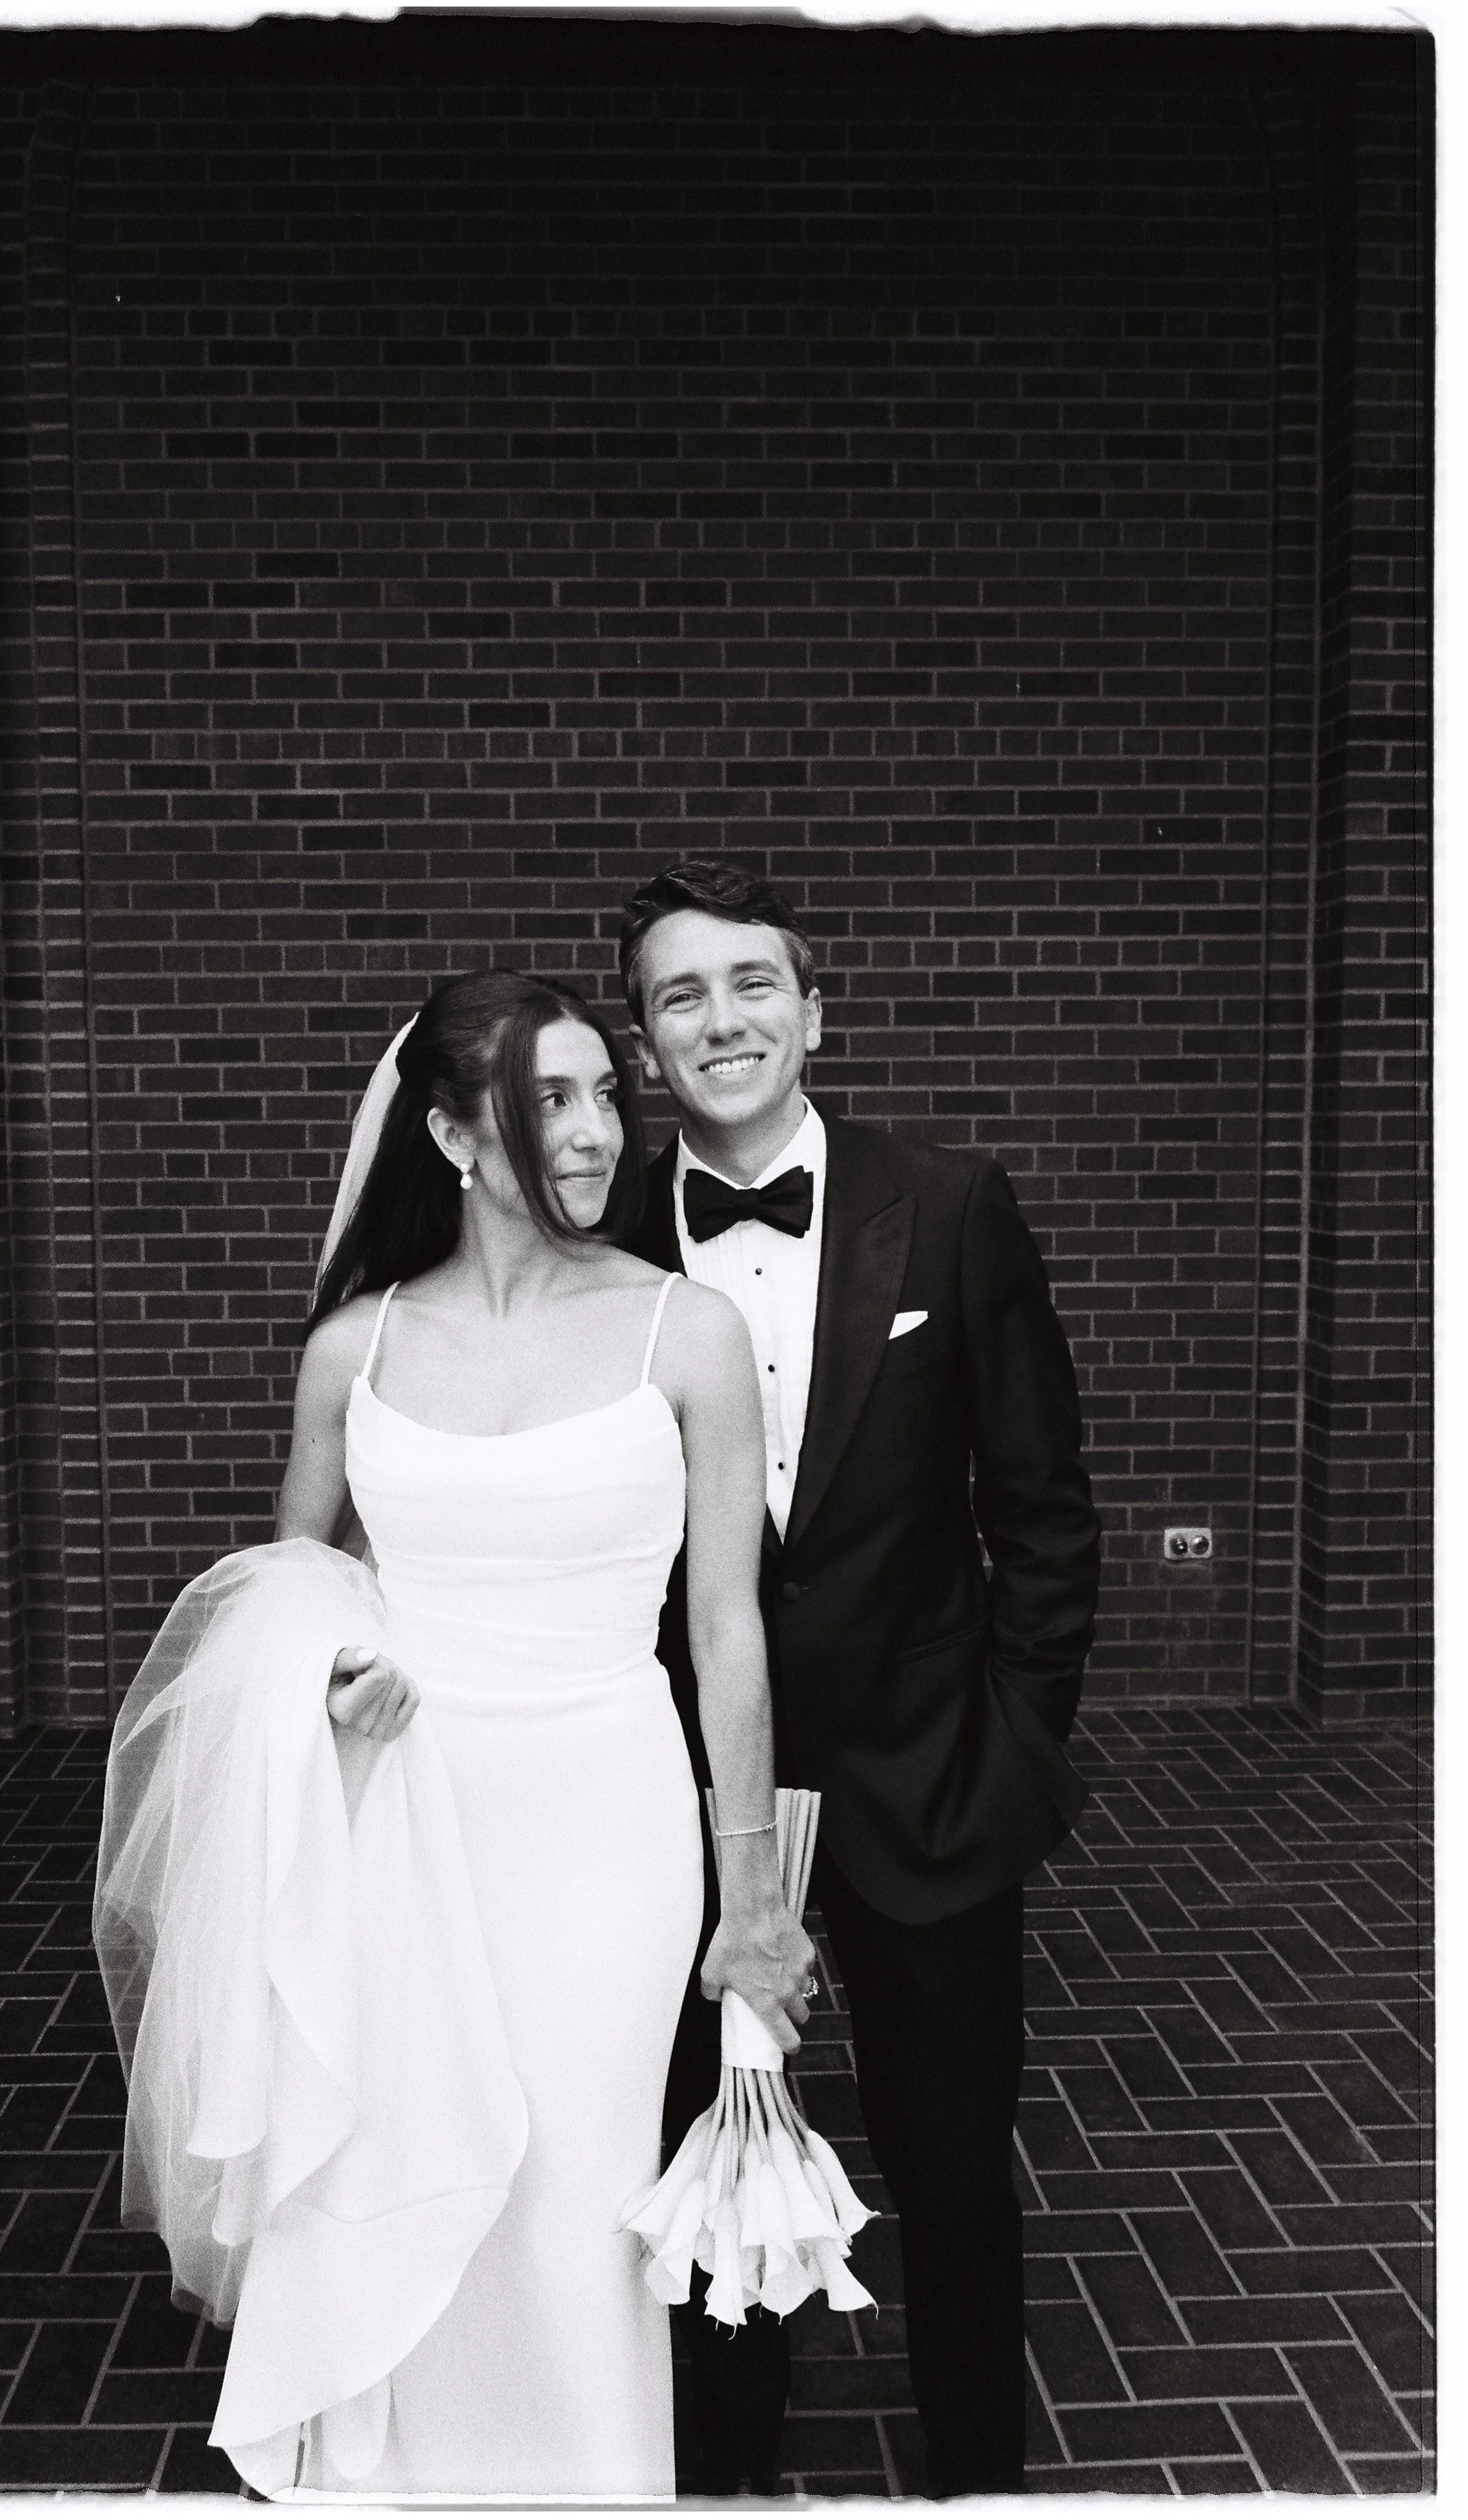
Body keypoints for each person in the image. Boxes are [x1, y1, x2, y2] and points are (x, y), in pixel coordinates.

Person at [96, 968, 814, 2501]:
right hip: (405, 1815)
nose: (597, 1126)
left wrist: (751, 1895)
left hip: (608, 1822)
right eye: (549, 1098)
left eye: (605, 1093)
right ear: (449, 1134)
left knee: (569, 2182)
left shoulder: (682, 1332)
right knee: (409, 2159)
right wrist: (345, 1672)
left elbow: (728, 1629)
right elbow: (290, 1599)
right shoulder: (352, 1351)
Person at [622, 862, 1102, 2501]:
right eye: (679, 994)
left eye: (751, 982)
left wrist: (1017, 1739)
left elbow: (1038, 1507)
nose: (720, 1017)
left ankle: (974, 2474)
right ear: (642, 1047)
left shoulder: (950, 1201)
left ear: (811, 1012)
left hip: (926, 1772)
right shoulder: (596, 1232)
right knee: (693, 2140)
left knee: (953, 2159)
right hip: (680, 1793)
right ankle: (722, 2470)